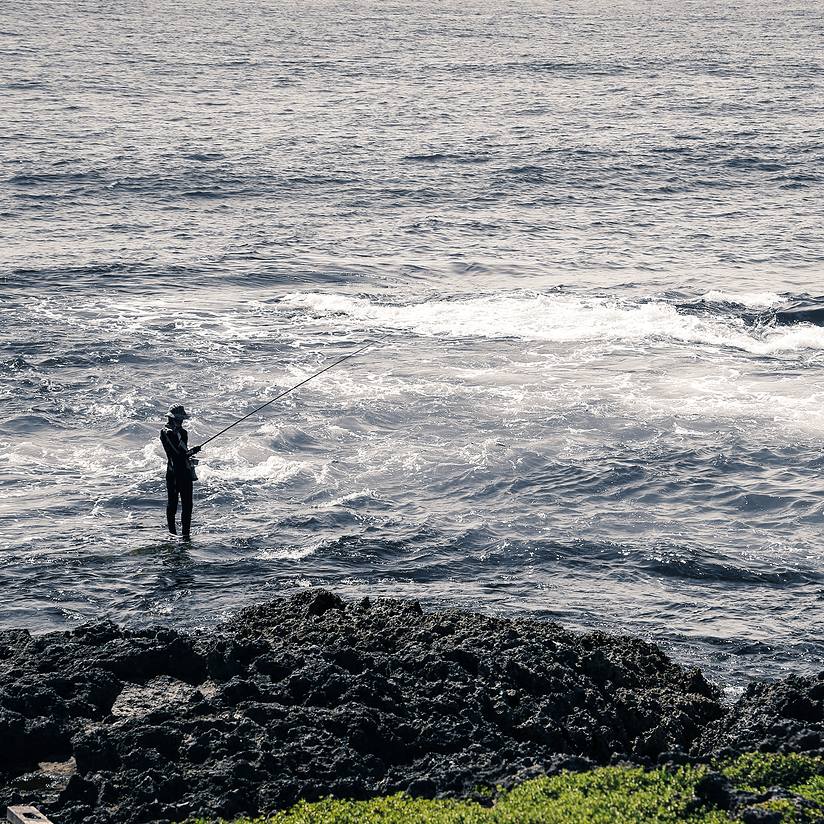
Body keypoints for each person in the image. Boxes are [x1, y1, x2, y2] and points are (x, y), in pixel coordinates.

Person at [160, 404, 201, 539]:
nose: (181, 422)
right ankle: (172, 534)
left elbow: (183, 452)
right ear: (173, 419)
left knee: (188, 505)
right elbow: (177, 454)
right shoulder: (166, 433)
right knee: (172, 504)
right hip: (173, 472)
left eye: (182, 419)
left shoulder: (183, 433)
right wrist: (192, 452)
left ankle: (185, 535)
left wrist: (189, 453)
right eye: (179, 419)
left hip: (185, 472)